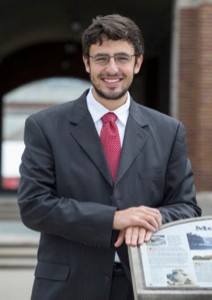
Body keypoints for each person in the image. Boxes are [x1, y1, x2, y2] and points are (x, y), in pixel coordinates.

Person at [17, 14, 201, 300]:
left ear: (137, 63)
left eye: (122, 58)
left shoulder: (168, 131)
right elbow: (34, 205)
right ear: (87, 62)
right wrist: (114, 219)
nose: (112, 68)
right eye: (101, 58)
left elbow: (186, 207)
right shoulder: (45, 126)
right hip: (67, 287)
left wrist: (147, 218)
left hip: (143, 285)